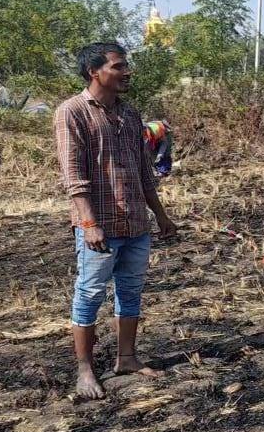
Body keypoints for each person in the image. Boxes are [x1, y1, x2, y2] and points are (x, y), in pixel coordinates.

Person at [53, 42, 178, 400]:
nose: (127, 73)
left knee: (130, 292)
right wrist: (89, 224)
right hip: (100, 226)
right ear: (95, 72)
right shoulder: (71, 112)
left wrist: (161, 215)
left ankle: (127, 358)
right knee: (89, 294)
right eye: (118, 67)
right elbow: (73, 176)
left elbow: (143, 171)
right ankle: (85, 369)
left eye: (126, 66)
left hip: (136, 223)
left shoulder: (130, 115)